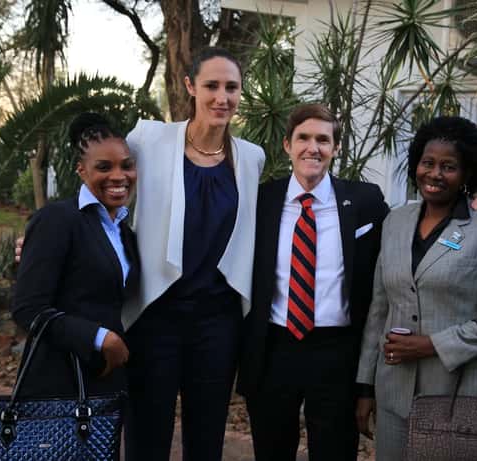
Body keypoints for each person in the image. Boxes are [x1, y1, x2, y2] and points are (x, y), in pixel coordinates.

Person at [354, 116, 477, 461]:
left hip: (462, 393)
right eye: (427, 162)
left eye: (449, 166)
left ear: (468, 173)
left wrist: (434, 345)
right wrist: (365, 386)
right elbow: (379, 309)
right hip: (393, 393)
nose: (434, 174)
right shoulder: (396, 221)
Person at [120, 47, 265, 460]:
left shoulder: (251, 158)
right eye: (212, 86)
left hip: (217, 324)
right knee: (147, 437)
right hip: (156, 316)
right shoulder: (148, 141)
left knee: (206, 440)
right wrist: (52, 235)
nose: (222, 98)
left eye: (231, 88)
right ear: (190, 87)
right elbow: (107, 190)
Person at [236, 103, 389, 461]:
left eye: (323, 139)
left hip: (337, 351)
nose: (313, 148)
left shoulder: (365, 201)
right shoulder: (262, 200)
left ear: (335, 148)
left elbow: (407, 234)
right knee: (272, 452)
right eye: (303, 138)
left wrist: (472, 203)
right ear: (287, 145)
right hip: (274, 348)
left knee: (335, 452)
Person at [11, 112, 139, 398]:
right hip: (58, 382)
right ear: (82, 170)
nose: (118, 176)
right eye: (104, 167)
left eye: (126, 166)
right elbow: (27, 308)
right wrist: (100, 338)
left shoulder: (125, 232)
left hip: (105, 383)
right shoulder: (57, 219)